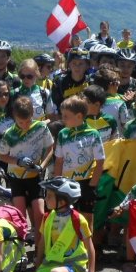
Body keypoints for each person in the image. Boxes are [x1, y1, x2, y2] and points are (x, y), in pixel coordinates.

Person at [31, 177, 100, 272]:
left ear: (62, 202)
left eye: (49, 196)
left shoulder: (78, 219)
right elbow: (42, 243)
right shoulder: (48, 217)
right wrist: (37, 269)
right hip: (52, 263)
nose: (45, 198)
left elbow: (90, 247)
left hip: (73, 265)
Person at [0, 96, 55, 232]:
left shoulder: (41, 127)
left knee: (40, 214)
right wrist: (18, 161)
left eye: (28, 121)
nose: (25, 125)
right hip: (16, 178)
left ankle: (39, 250)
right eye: (21, 122)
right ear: (14, 117)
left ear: (32, 114)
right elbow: (2, 156)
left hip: (35, 176)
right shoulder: (9, 134)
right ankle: (21, 250)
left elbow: (50, 148)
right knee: (20, 216)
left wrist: (42, 166)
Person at [54, 95, 105, 227]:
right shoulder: (62, 134)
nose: (62, 118)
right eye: (62, 115)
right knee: (67, 217)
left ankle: (88, 247)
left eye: (66, 116)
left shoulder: (93, 134)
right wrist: (57, 183)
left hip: (87, 182)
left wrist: (93, 184)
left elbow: (100, 161)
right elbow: (59, 160)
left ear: (79, 116)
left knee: (87, 218)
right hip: (67, 182)